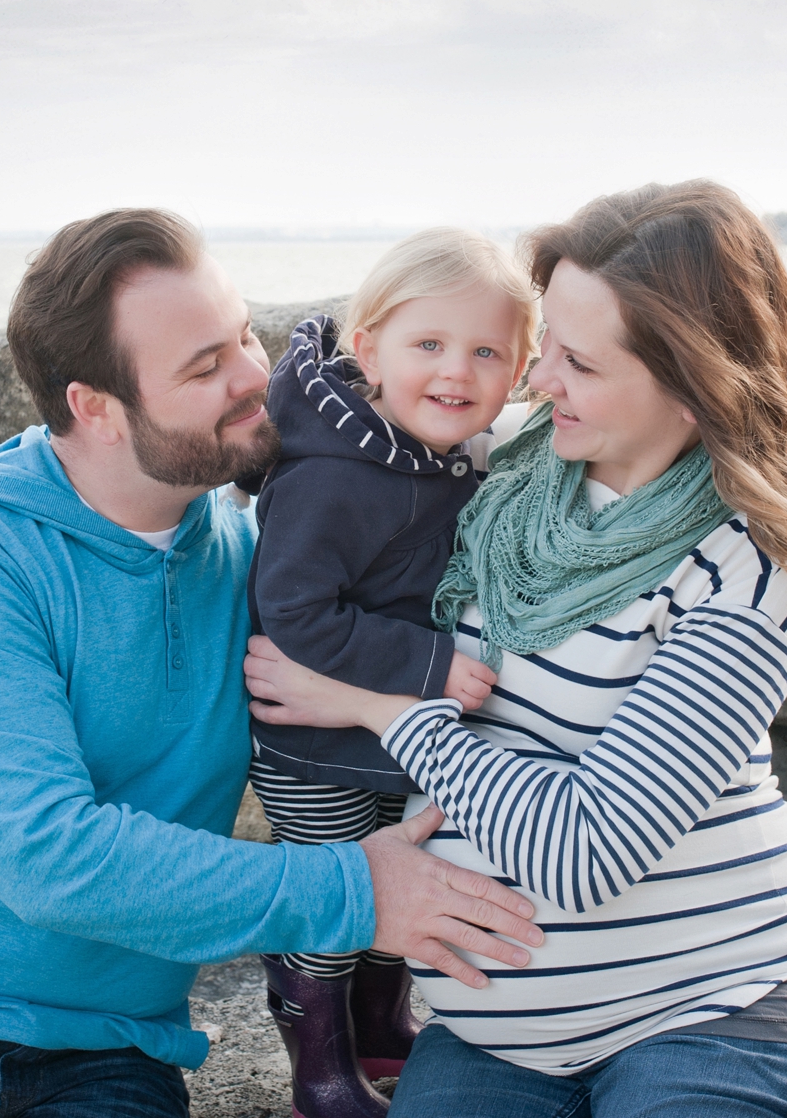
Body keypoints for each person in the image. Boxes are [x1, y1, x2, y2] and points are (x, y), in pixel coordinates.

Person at [0, 209, 542, 1118]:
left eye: (243, 335)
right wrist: (357, 889)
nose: (253, 376)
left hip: (107, 1051)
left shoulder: (252, 552)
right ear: (97, 408)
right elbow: (49, 857)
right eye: (204, 366)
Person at [244, 182, 787, 1118]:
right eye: (545, 350)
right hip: (496, 1037)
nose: (537, 383)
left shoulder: (749, 572)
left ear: (694, 384)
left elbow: (585, 850)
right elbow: (336, 475)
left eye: (576, 362)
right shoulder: (506, 470)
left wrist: (380, 708)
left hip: (712, 1009)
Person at [241, 228, 537, 1116]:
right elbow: (292, 613)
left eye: (487, 351)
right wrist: (431, 662)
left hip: (390, 737)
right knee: (338, 897)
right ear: (367, 350)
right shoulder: (332, 474)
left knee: (398, 879)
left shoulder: (443, 452)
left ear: (521, 372)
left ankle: (380, 1023)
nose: (457, 371)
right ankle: (319, 1064)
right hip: (310, 743)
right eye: (429, 345)